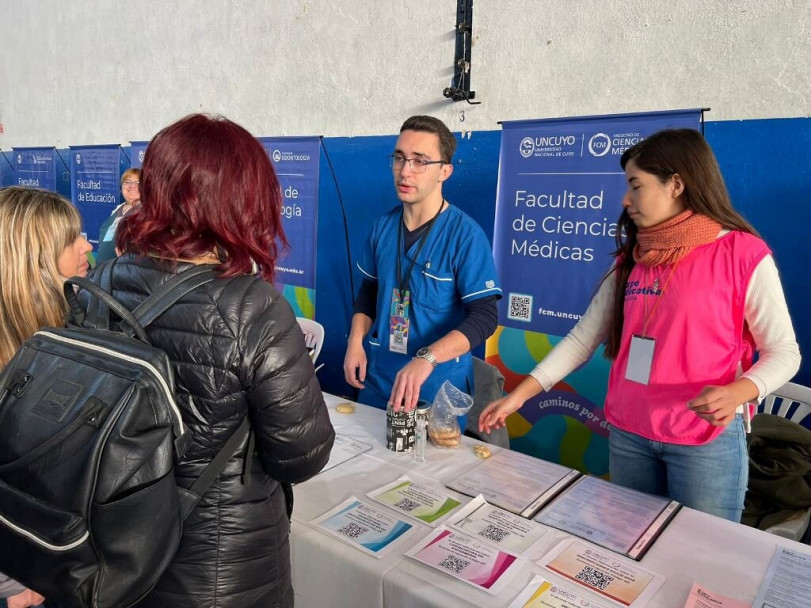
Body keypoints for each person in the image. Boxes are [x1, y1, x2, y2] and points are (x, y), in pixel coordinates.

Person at [479, 128, 801, 522]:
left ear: (676, 185)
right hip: (631, 434)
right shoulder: (632, 259)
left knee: (703, 559)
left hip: (704, 440)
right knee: (631, 553)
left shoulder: (741, 253)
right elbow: (583, 338)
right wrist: (520, 394)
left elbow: (784, 352)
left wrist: (741, 391)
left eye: (636, 185)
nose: (625, 200)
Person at [101, 113, 334, 608]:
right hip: (219, 568)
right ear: (245, 200)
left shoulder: (102, 283)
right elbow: (304, 453)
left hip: (113, 550)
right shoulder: (250, 306)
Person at [344, 115, 502, 420]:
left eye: (420, 161)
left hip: (437, 387)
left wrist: (427, 358)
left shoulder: (464, 236)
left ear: (444, 171)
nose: (405, 171)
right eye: (400, 158)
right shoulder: (383, 228)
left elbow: (484, 317)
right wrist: (355, 341)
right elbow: (371, 289)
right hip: (380, 378)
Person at [0, 186, 93, 608]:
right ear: (35, 258)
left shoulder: (68, 332)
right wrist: (12, 587)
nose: (87, 246)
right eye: (72, 239)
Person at [95, 168, 140, 263]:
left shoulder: (148, 213)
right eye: (127, 181)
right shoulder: (118, 209)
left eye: (138, 182)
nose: (132, 185)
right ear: (121, 187)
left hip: (122, 271)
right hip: (102, 269)